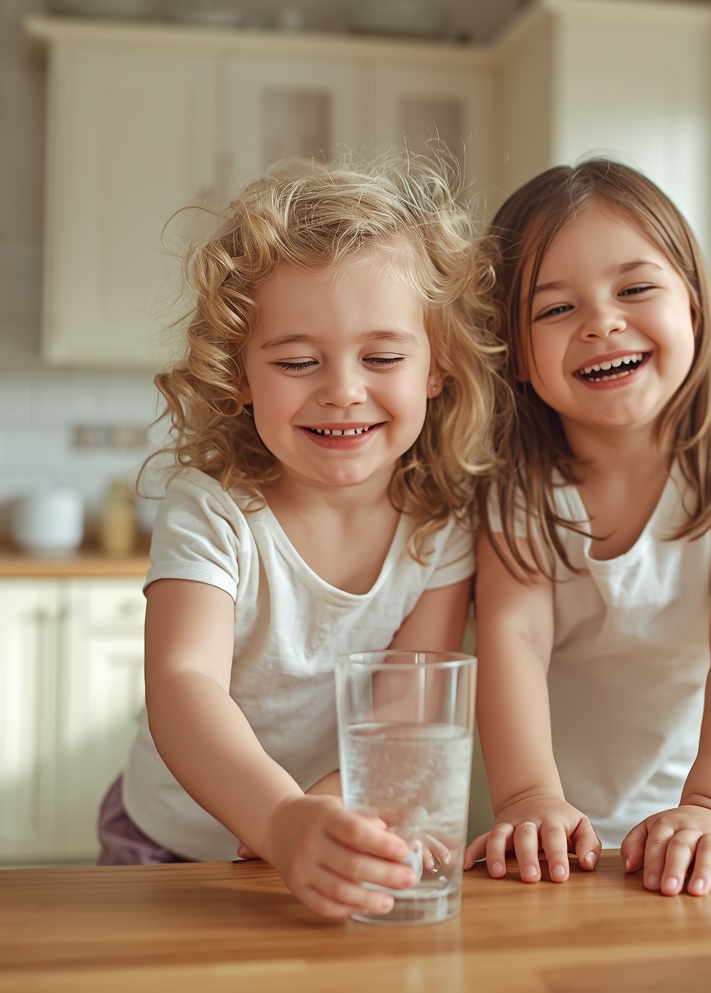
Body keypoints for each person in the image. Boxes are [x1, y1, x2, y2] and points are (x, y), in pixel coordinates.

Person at [97, 155, 502, 921]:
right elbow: (183, 682)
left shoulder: (441, 528)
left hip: (322, 840)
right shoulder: (212, 511)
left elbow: (407, 710)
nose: (342, 389)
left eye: (382, 357)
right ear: (240, 375)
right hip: (171, 850)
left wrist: (327, 816)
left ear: (436, 368)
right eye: (296, 361)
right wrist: (279, 818)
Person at [464, 160, 711, 897]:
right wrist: (527, 797)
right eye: (555, 308)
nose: (602, 322)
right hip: (572, 829)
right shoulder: (512, 485)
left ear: (693, 306)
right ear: (516, 356)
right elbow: (514, 637)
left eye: (634, 290)